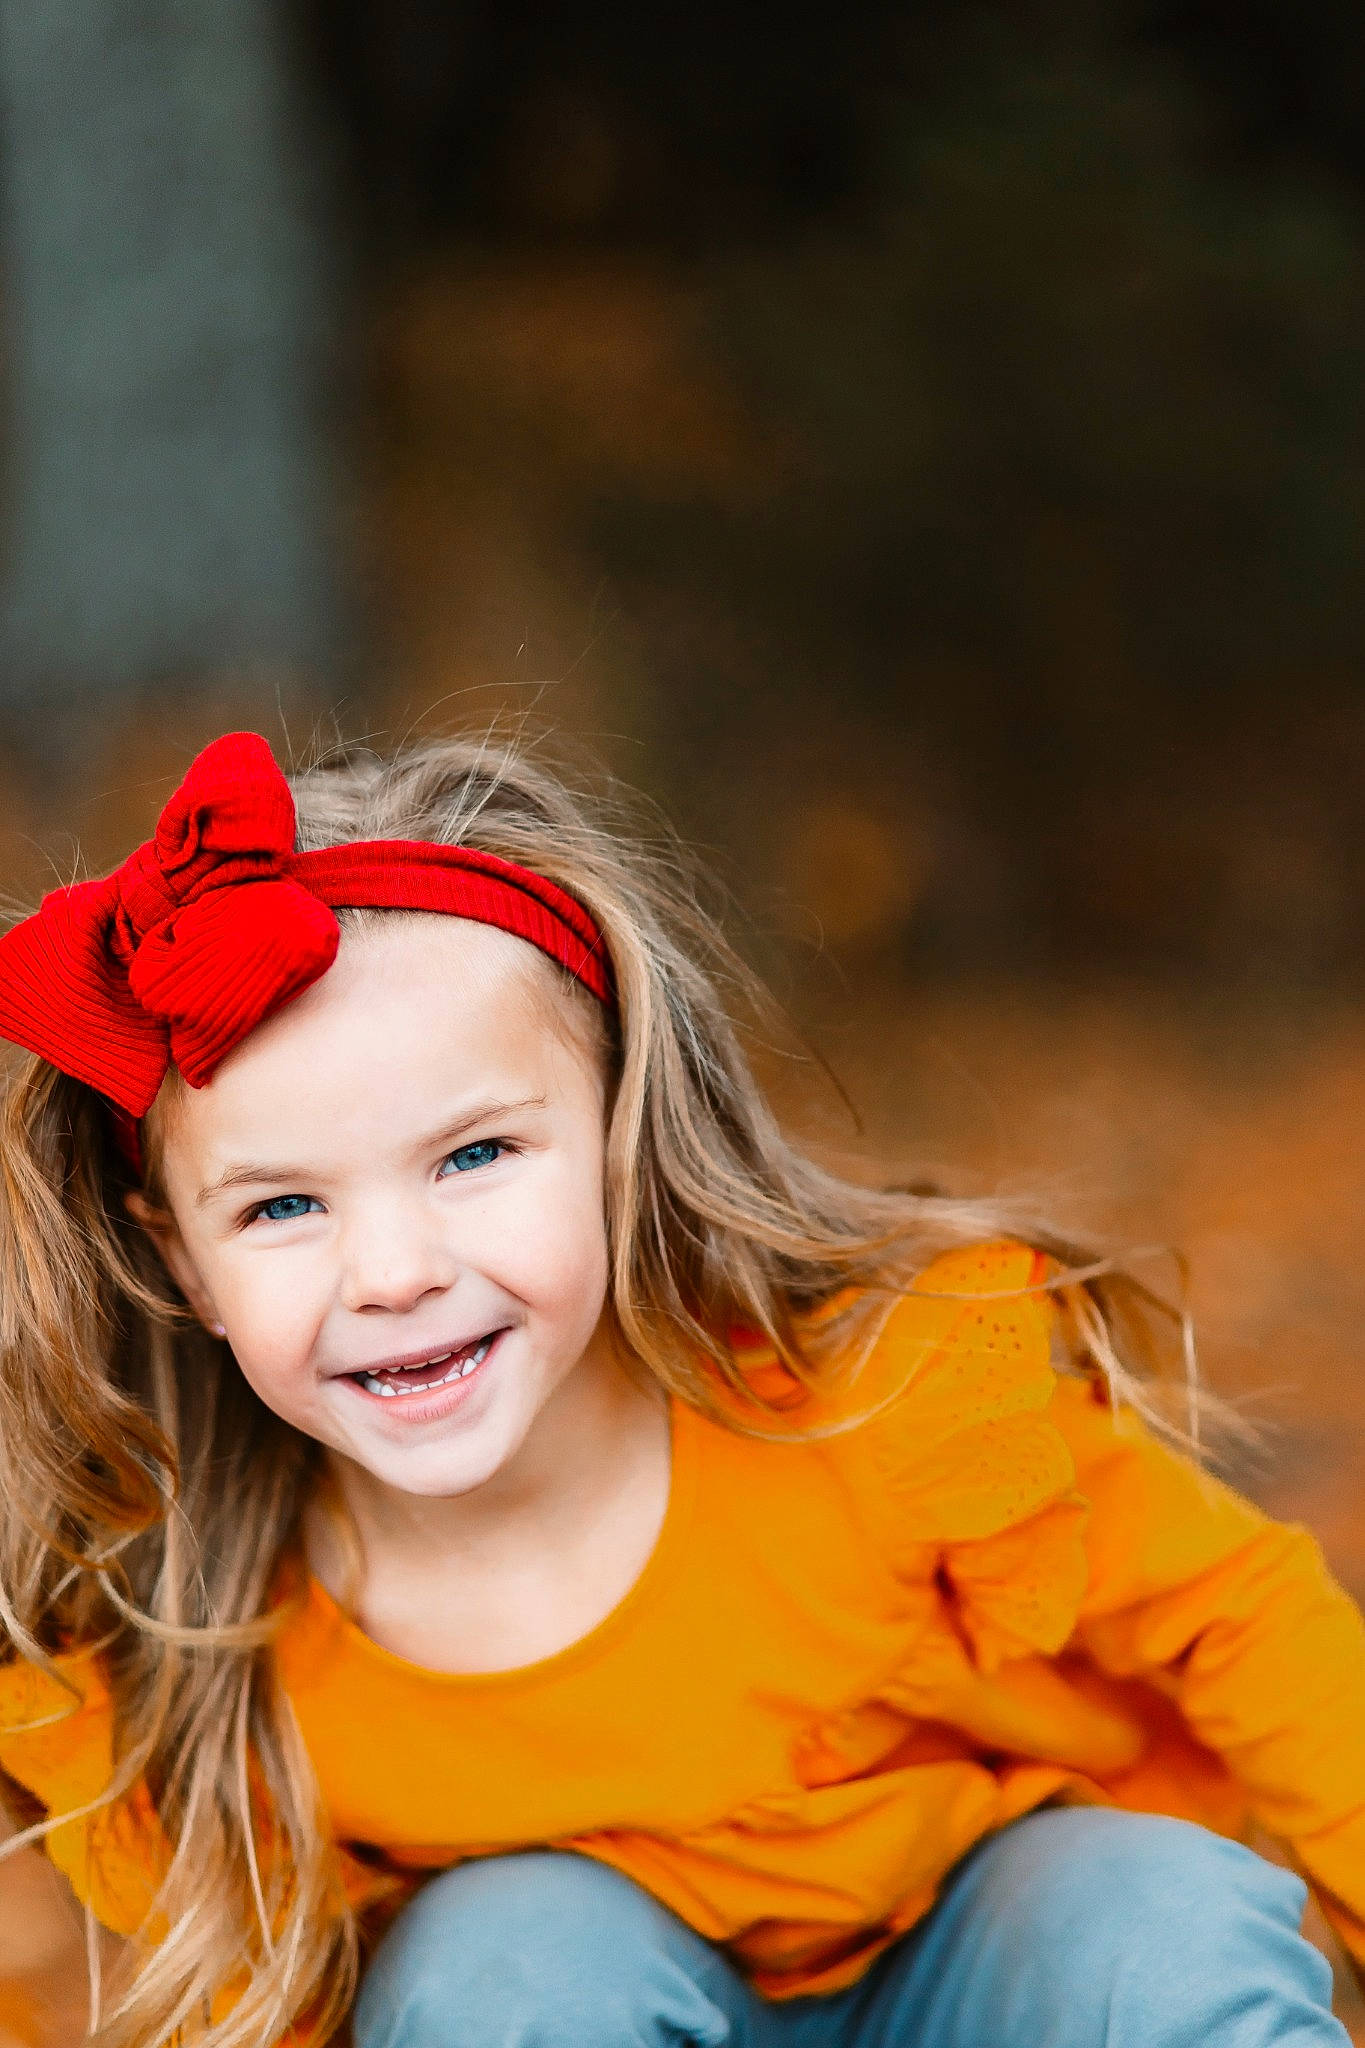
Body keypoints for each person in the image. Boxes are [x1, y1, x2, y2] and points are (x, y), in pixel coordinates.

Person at [0, 730, 1359, 2048]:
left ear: (618, 1132)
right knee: (505, 1961)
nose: (393, 1272)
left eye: (472, 1156)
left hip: (983, 1963)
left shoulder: (877, 1409)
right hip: (580, 2004)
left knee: (1153, 1916)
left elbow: (1236, 1617)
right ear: (178, 1258)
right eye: (284, 1204)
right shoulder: (212, 1650)